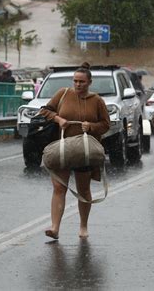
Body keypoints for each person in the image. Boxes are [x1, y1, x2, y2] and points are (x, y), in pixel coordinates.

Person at [39, 67, 110, 239]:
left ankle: (83, 226)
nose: (78, 84)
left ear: (89, 82)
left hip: (84, 151)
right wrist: (59, 119)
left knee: (83, 189)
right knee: (58, 187)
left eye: (82, 81)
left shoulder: (97, 100)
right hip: (63, 149)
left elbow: (106, 124)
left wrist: (91, 126)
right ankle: (55, 228)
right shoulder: (63, 93)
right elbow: (45, 110)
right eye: (75, 81)